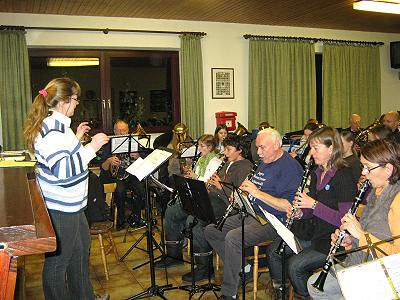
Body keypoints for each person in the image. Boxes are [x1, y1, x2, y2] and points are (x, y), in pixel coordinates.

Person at [23, 78, 109, 300]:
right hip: (61, 207)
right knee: (57, 264)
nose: (77, 103)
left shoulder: (61, 126)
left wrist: (78, 138)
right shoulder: (53, 131)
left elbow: (66, 155)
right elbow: (64, 171)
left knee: (80, 253)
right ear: (63, 102)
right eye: (75, 99)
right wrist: (92, 147)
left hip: (73, 205)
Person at [204, 128, 303, 299]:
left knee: (233, 237)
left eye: (262, 147)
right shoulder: (264, 161)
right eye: (257, 147)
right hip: (252, 213)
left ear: (277, 145)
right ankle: (243, 267)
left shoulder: (290, 168)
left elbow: (288, 206)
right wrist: (241, 196)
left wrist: (257, 193)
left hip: (274, 220)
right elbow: (253, 189)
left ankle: (229, 293)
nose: (258, 152)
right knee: (211, 230)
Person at [265, 126, 358, 300]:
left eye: (316, 148)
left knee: (295, 266)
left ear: (331, 149)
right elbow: (310, 212)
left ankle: (305, 295)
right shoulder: (317, 173)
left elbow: (345, 220)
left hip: (332, 239)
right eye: (311, 148)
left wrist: (314, 205)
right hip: (314, 232)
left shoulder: (343, 176)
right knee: (274, 251)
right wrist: (301, 213)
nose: (311, 152)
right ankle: (281, 294)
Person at [307, 139, 400, 300]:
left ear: (389, 169)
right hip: (360, 262)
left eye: (368, 168)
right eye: (363, 166)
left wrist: (359, 235)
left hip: (382, 275)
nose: (363, 173)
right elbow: (371, 233)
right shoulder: (375, 193)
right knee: (314, 285)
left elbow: (396, 257)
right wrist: (350, 241)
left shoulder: (396, 200)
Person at [155, 134, 253, 283]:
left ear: (240, 150)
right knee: (172, 211)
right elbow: (212, 185)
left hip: (226, 206)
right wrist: (208, 185)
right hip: (211, 198)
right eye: (224, 149)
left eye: (228, 149)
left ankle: (205, 268)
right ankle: (173, 255)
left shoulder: (246, 167)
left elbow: (239, 199)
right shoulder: (227, 163)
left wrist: (220, 186)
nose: (225, 153)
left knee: (197, 220)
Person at [99, 119, 146, 230]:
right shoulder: (108, 145)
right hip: (116, 177)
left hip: (131, 175)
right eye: (119, 130)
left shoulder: (134, 143)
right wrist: (109, 161)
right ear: (114, 132)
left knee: (141, 189)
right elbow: (103, 167)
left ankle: (136, 217)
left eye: (124, 130)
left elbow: (144, 160)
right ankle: (121, 220)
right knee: (120, 191)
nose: (121, 133)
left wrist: (138, 156)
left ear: (128, 131)